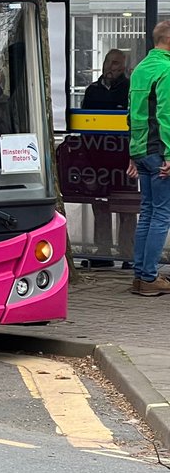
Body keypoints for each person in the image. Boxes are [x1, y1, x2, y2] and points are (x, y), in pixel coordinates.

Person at [126, 21, 170, 296]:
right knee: (162, 214)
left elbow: (132, 114)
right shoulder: (167, 69)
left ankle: (141, 275)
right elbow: (166, 115)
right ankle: (150, 277)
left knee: (148, 213)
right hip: (160, 152)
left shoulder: (140, 69)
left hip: (141, 151)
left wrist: (133, 153)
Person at [81, 49, 135, 267]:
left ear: (124, 67)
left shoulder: (130, 89)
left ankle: (128, 253)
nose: (110, 67)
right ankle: (103, 252)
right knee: (100, 204)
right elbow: (84, 123)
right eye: (108, 62)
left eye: (115, 64)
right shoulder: (92, 90)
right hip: (97, 155)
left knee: (127, 207)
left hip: (124, 157)